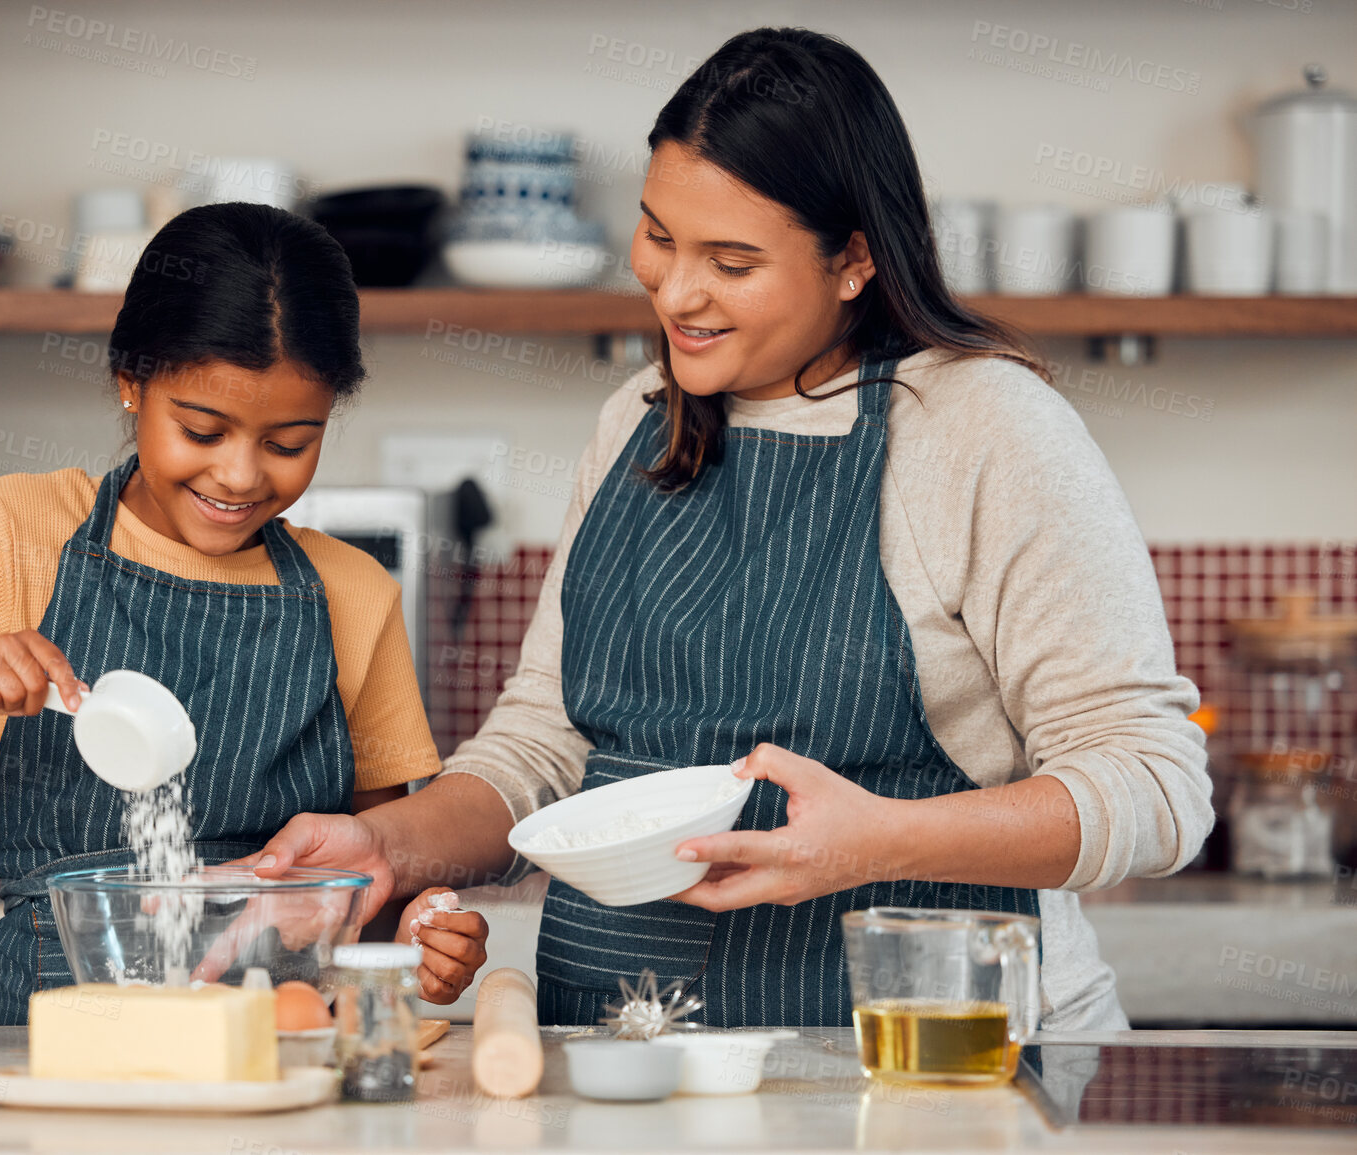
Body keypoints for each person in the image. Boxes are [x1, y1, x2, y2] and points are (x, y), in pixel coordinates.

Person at [235, 29, 1211, 1029]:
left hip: (925, 1068)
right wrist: (388, 849)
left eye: (731, 261)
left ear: (854, 262)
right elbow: (543, 744)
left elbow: (1155, 785)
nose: (675, 293)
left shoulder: (983, 429)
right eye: (659, 236)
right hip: (625, 1057)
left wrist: (882, 841)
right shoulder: (637, 419)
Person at [0, 204, 488, 1024]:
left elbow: (373, 878)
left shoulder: (352, 591)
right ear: (131, 381)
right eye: (201, 429)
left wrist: (421, 930)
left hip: (279, 1050)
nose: (239, 475)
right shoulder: (21, 533)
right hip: (53, 1040)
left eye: (287, 443)